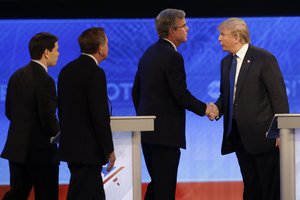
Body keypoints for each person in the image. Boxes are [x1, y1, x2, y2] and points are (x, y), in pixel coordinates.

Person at [132, 8, 214, 200]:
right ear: (172, 31)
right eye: (183, 26)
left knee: (158, 184)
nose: (188, 29)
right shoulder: (172, 57)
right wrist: (206, 109)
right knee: (164, 188)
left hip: (148, 134)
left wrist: (144, 119)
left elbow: (136, 91)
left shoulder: (148, 54)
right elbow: (180, 94)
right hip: (165, 135)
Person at [212, 17, 289, 200]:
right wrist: (216, 109)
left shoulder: (264, 58)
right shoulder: (225, 63)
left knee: (269, 187)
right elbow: (227, 96)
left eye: (223, 35)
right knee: (251, 185)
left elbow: (278, 97)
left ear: (237, 37)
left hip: (264, 136)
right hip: (239, 136)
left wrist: (280, 131)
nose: (219, 39)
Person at [57, 27, 116, 200]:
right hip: (88, 150)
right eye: (107, 43)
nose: (108, 47)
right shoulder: (95, 73)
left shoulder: (66, 70)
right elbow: (99, 116)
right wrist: (109, 149)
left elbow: (62, 109)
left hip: (71, 148)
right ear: (100, 48)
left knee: (86, 192)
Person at [1, 32, 60, 200]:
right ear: (46, 52)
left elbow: (9, 112)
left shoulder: (16, 76)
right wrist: (61, 134)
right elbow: (48, 118)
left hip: (17, 150)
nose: (58, 53)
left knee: (17, 194)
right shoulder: (45, 80)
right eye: (56, 49)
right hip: (41, 153)